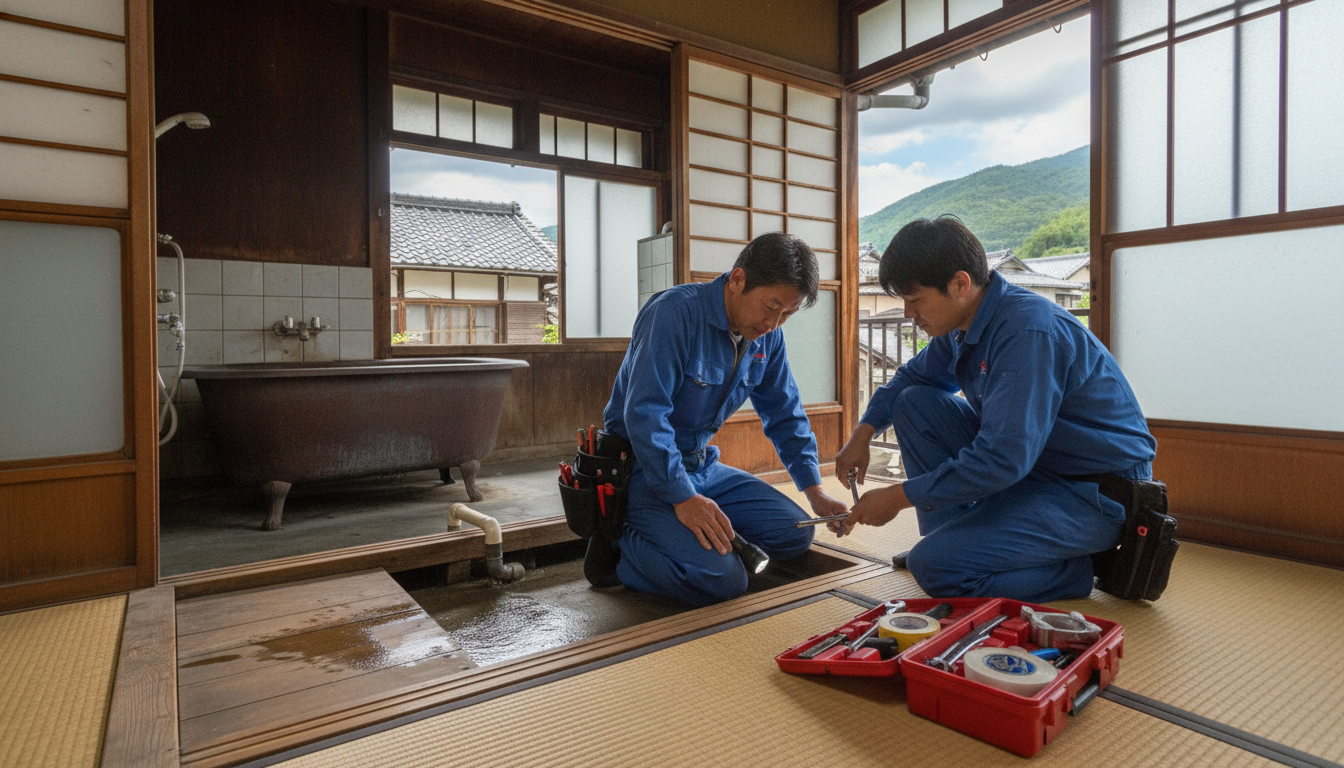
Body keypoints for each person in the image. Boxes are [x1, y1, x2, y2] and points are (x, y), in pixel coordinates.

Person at [834, 216, 1157, 603]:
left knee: (937, 570)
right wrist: (863, 432)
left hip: (1091, 493)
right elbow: (909, 380)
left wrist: (899, 496)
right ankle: (951, 541)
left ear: (960, 284)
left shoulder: (1026, 331)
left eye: (915, 299)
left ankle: (1076, 570)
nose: (908, 313)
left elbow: (1002, 458)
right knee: (914, 403)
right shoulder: (962, 326)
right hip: (1037, 471)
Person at [591, 232, 849, 606]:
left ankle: (692, 535)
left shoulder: (767, 337)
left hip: (702, 466)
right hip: (640, 470)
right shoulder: (674, 313)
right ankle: (621, 546)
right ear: (738, 279)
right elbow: (644, 416)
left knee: (795, 534)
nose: (774, 323)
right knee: (723, 578)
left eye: (787, 314)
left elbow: (785, 413)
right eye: (771, 306)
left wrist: (815, 491)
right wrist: (682, 497)